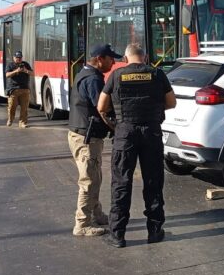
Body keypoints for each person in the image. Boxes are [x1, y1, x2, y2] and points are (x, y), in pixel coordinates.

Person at [97, 43, 176, 248]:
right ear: (146, 56)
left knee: (121, 183)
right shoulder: (157, 74)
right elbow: (171, 102)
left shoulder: (116, 75)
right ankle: (155, 231)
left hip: (125, 133)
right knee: (153, 182)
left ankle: (118, 235)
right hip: (151, 132)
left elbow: (101, 106)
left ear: (125, 58)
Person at [67, 44, 123, 237]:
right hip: (86, 138)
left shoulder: (84, 73)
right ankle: (81, 224)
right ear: (100, 59)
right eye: (110, 59)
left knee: (95, 177)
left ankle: (96, 214)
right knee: (89, 180)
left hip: (82, 135)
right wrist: (117, 127)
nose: (113, 62)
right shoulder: (93, 80)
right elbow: (103, 108)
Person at [5, 51, 33, 128]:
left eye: (20, 58)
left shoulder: (25, 64)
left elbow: (32, 73)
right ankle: (10, 119)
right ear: (14, 58)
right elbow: (7, 75)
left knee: (24, 107)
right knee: (12, 106)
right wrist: (16, 71)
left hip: (25, 89)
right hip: (14, 89)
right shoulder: (10, 65)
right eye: (17, 58)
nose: (19, 59)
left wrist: (25, 70)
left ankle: (22, 122)